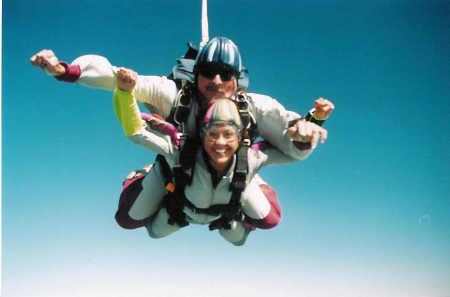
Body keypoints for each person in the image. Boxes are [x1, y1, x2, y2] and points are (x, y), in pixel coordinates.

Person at [30, 37, 334, 231]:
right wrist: (64, 71)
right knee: (129, 219)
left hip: (232, 171)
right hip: (175, 168)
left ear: (238, 80)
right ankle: (144, 177)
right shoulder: (172, 94)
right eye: (208, 72)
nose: (216, 81)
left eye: (226, 74)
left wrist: (306, 129)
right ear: (195, 74)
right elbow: (113, 76)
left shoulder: (255, 107)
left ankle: (242, 190)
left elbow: (289, 134)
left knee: (269, 219)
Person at [113, 68, 327, 244]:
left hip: (225, 211)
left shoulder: (251, 157)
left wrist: (310, 126)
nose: (221, 143)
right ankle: (148, 175)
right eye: (213, 134)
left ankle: (253, 182)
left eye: (228, 134)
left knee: (262, 224)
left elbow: (293, 153)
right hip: (180, 207)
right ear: (202, 134)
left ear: (241, 136)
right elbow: (137, 132)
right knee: (136, 223)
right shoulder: (180, 150)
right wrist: (125, 93)